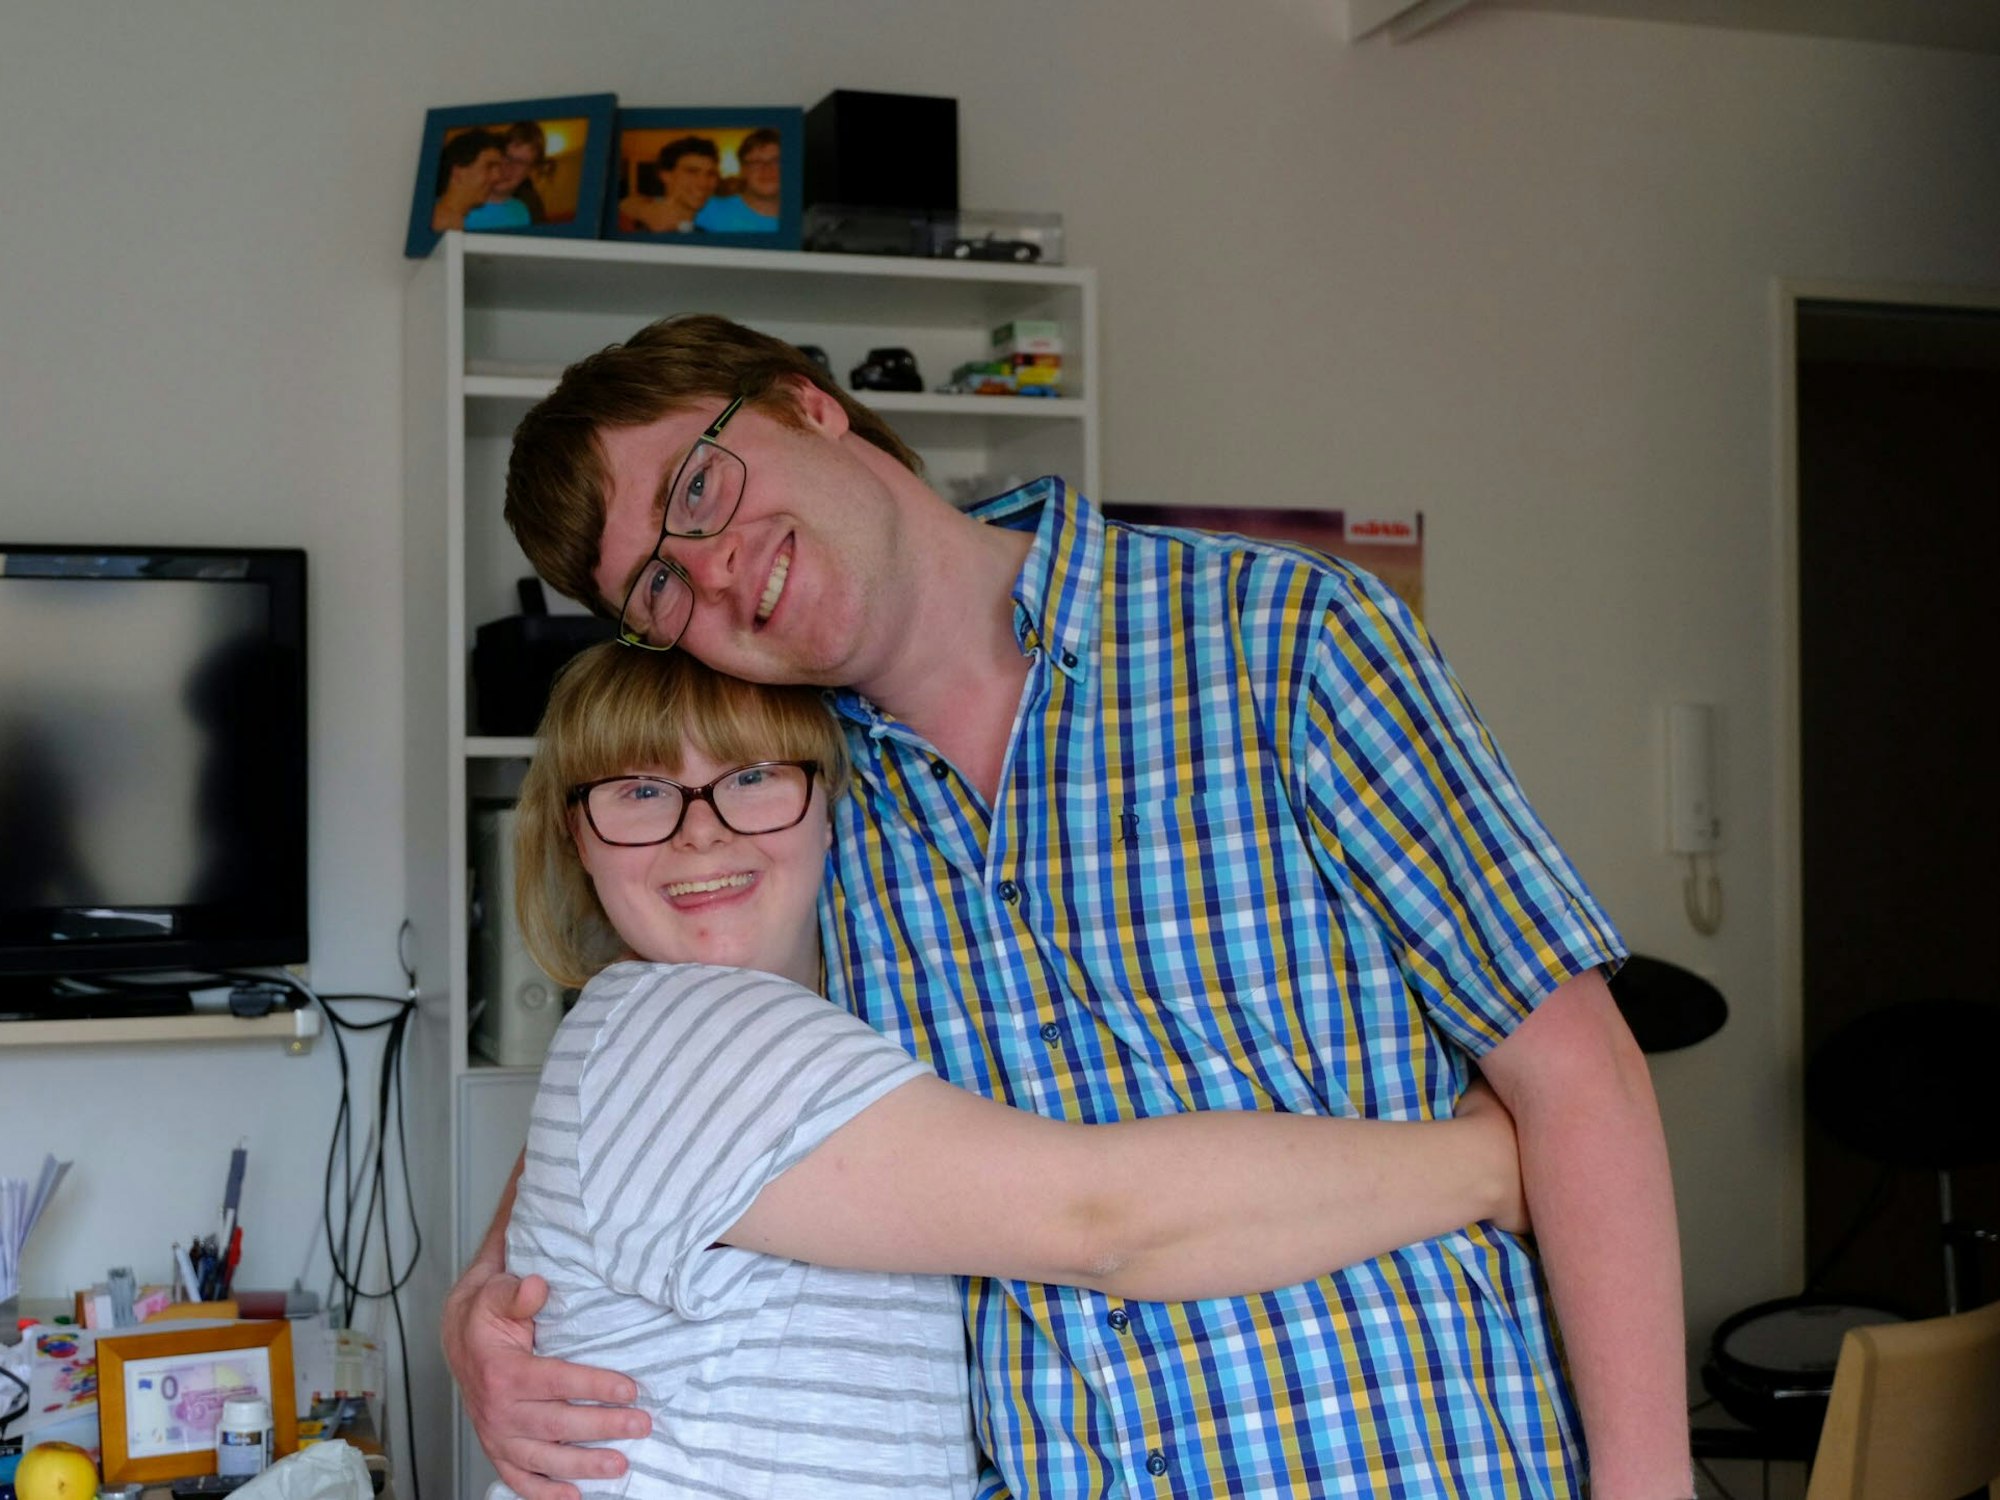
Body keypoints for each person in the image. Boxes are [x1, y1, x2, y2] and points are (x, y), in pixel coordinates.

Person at [455, 315, 1690, 1498]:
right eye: (658, 588)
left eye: (699, 487)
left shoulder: (1283, 636)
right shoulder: (782, 793)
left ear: (805, 404)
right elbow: (686, 1083)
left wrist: (1647, 1486)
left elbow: (1578, 1077)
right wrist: (484, 1298)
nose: (711, 567)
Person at [500, 638, 1532, 1499]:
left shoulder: (813, 1033)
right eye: (641, 791)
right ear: (575, 835)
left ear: (829, 803)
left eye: (751, 777)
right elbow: (1100, 1222)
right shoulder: (680, 1032)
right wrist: (1487, 1165)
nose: (700, 831)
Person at [617, 135, 718, 235]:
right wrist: (645, 212)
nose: (703, 183)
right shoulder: (629, 227)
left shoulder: (704, 232)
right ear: (666, 176)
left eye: (711, 173)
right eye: (692, 171)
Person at [693, 128, 782, 233]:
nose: (767, 169)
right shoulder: (706, 209)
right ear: (743, 171)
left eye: (776, 160)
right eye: (756, 162)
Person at [431, 129, 506, 235]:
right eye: (489, 167)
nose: (497, 177)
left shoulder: (449, 219)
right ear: (458, 173)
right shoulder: (444, 223)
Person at [485, 120, 550, 225]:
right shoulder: (463, 200)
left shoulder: (531, 208)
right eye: (507, 156)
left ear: (529, 171)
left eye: (521, 163)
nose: (509, 167)